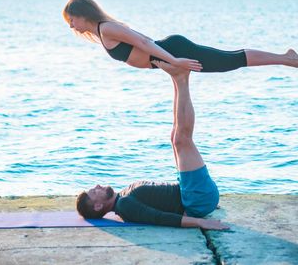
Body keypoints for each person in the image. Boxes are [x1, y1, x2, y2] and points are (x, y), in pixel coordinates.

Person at [75, 60, 230, 230]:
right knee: (182, 140)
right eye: (94, 192)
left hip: (193, 195)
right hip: (196, 199)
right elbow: (159, 218)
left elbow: (161, 203)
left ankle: (177, 77)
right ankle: (181, 79)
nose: (97, 186)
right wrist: (200, 221)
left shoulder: (123, 197)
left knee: (175, 137)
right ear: (98, 206)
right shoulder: (125, 208)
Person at [63, 0, 298, 72]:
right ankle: (286, 58)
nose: (71, 25)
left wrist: (174, 61)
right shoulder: (101, 31)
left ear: (82, 12)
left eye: (71, 19)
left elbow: (143, 41)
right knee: (229, 59)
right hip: (168, 55)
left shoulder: (107, 28)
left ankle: (287, 58)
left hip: (175, 51)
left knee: (231, 60)